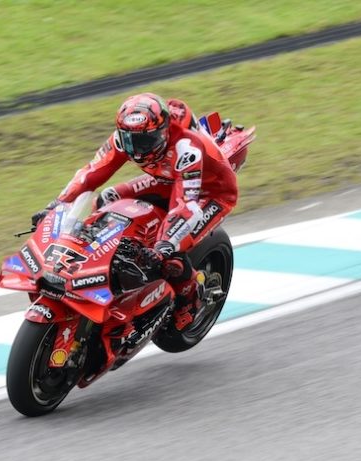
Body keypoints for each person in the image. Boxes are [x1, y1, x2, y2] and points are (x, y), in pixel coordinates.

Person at [31, 93, 238, 330]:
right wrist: (56, 205)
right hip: (168, 179)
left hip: (210, 192)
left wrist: (164, 245)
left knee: (169, 255)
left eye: (146, 141)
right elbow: (90, 174)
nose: (138, 149)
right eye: (131, 140)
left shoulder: (186, 148)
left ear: (163, 132)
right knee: (107, 198)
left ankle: (191, 301)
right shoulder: (124, 138)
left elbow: (186, 205)